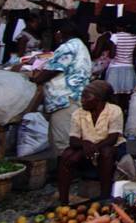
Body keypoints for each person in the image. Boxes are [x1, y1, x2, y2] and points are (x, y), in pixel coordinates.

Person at [30, 21, 93, 156]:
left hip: (64, 99)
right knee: (70, 136)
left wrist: (35, 79)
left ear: (59, 33)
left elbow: (52, 70)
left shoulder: (67, 47)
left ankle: (65, 171)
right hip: (75, 96)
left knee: (63, 142)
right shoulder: (79, 45)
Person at [57, 80, 125, 203]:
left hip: (111, 147)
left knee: (106, 152)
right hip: (87, 148)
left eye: (86, 97)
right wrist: (84, 145)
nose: (82, 100)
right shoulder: (78, 113)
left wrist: (83, 152)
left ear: (99, 99)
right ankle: (63, 201)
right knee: (66, 155)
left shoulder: (114, 111)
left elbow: (112, 139)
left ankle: (105, 197)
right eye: (82, 96)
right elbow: (73, 140)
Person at [105, 19, 136, 113]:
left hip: (115, 68)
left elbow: (112, 55)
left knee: (114, 95)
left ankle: (116, 115)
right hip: (129, 68)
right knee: (126, 96)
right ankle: (124, 114)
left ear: (118, 27)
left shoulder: (115, 36)